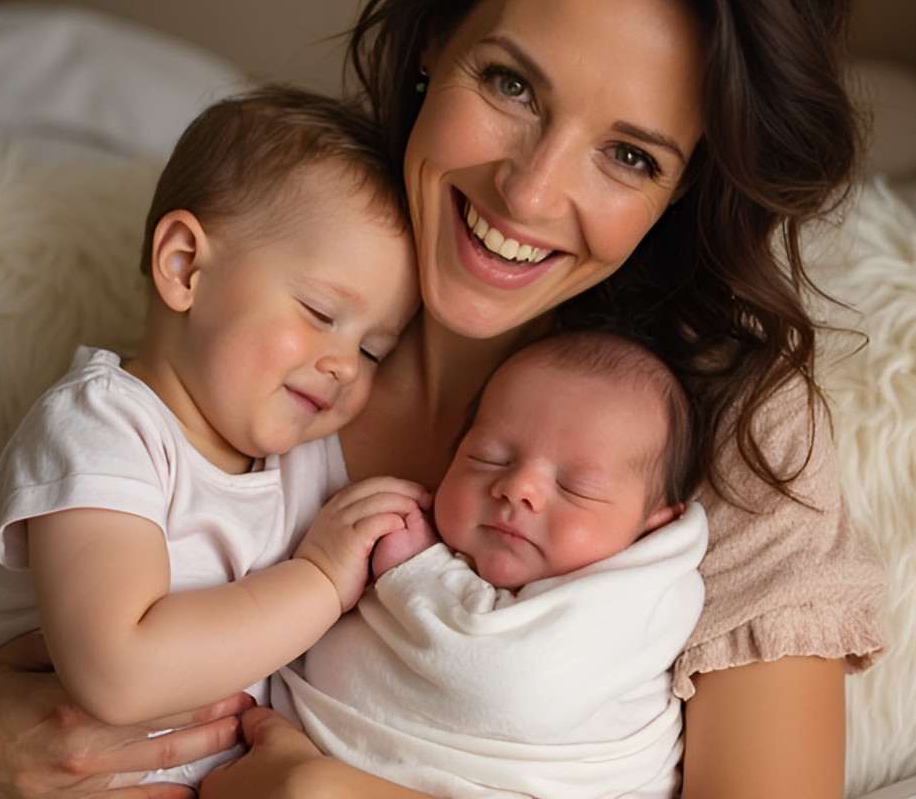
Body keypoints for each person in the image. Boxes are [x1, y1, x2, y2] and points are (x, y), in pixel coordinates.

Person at [0, 0, 887, 799]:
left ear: (684, 188)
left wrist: (333, 795)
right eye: (511, 85)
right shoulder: (257, 313)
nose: (532, 193)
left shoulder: (734, 432)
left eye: (629, 154)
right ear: (433, 44)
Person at [0, 88, 423, 787]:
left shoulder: (293, 465)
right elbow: (118, 671)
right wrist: (317, 582)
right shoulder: (104, 426)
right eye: (320, 311)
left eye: (374, 350)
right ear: (185, 265)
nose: (346, 364)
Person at [278, 330, 707, 799]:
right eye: (488, 458)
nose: (518, 487)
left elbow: (512, 683)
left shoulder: (641, 596)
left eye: (576, 487)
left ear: (653, 527)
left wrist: (418, 569)